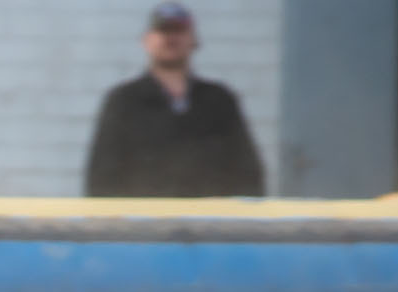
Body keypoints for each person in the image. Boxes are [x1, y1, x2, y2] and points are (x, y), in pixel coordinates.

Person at [84, 3, 266, 198]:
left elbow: (248, 171)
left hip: (209, 216)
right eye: (163, 31)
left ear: (193, 41)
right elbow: (101, 175)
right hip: (143, 215)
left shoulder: (220, 101)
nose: (171, 38)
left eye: (178, 31)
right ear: (146, 40)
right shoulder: (123, 102)